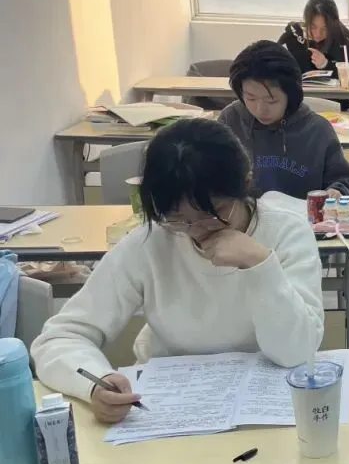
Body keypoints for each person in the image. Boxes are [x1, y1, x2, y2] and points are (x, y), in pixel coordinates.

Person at [31, 119, 325, 423]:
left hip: (264, 411)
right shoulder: (152, 241)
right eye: (176, 217)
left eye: (214, 213)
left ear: (245, 182)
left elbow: (296, 352)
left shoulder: (286, 233)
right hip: (167, 411)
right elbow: (59, 337)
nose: (196, 230)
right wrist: (95, 383)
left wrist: (259, 264)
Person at [219, 40, 349, 201]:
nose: (260, 109)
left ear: (291, 94)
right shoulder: (230, 121)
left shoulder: (318, 130)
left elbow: (346, 185)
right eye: (251, 98)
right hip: (243, 217)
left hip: (301, 216)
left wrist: (337, 192)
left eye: (271, 101)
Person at [278, 0, 349, 111]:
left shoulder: (344, 42)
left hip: (340, 103)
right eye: (313, 27)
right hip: (302, 102)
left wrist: (327, 65)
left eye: (325, 28)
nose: (318, 34)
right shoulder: (294, 35)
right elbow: (273, 63)